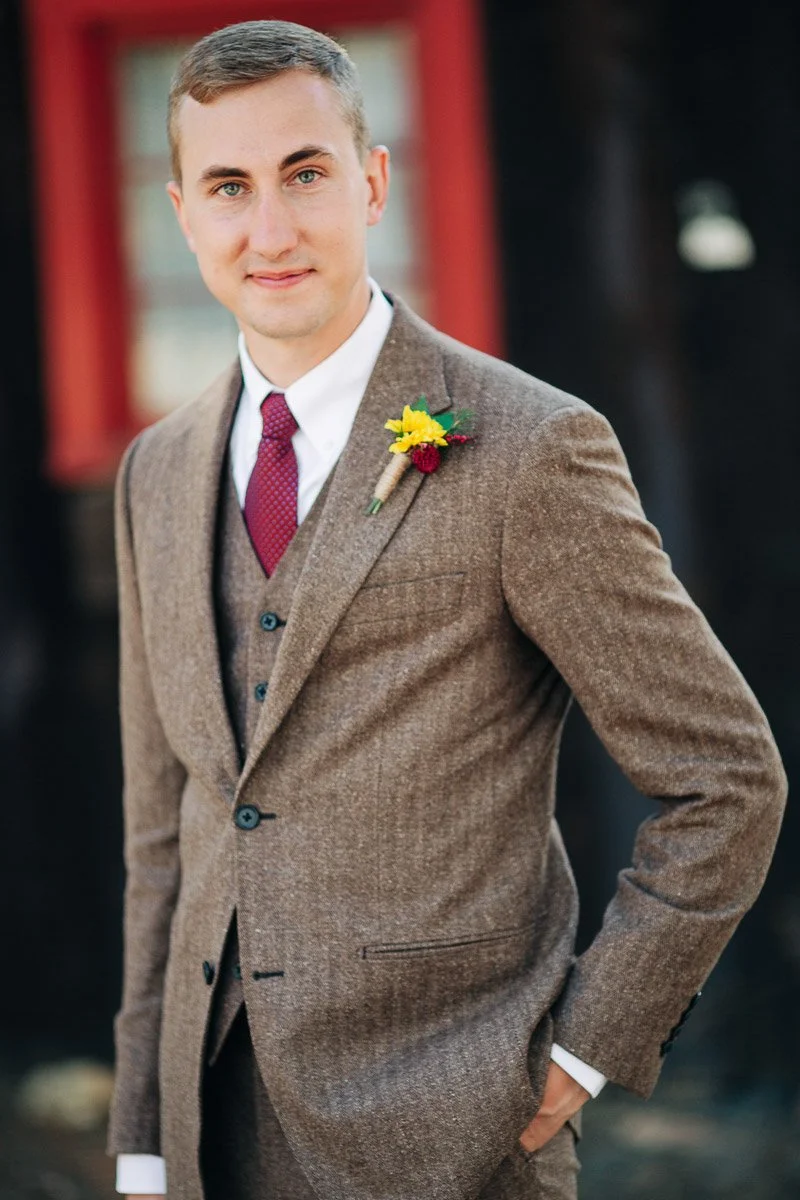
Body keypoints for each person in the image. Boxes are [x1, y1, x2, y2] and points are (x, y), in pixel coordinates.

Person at [106, 19, 786, 1200]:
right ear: (182, 211)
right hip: (205, 1135)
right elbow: (163, 833)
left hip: (452, 1136)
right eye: (228, 186)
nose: (268, 228)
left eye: (304, 173)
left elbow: (725, 780)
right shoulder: (155, 471)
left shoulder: (529, 447)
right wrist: (140, 1141)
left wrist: (585, 1046)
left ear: (371, 181)